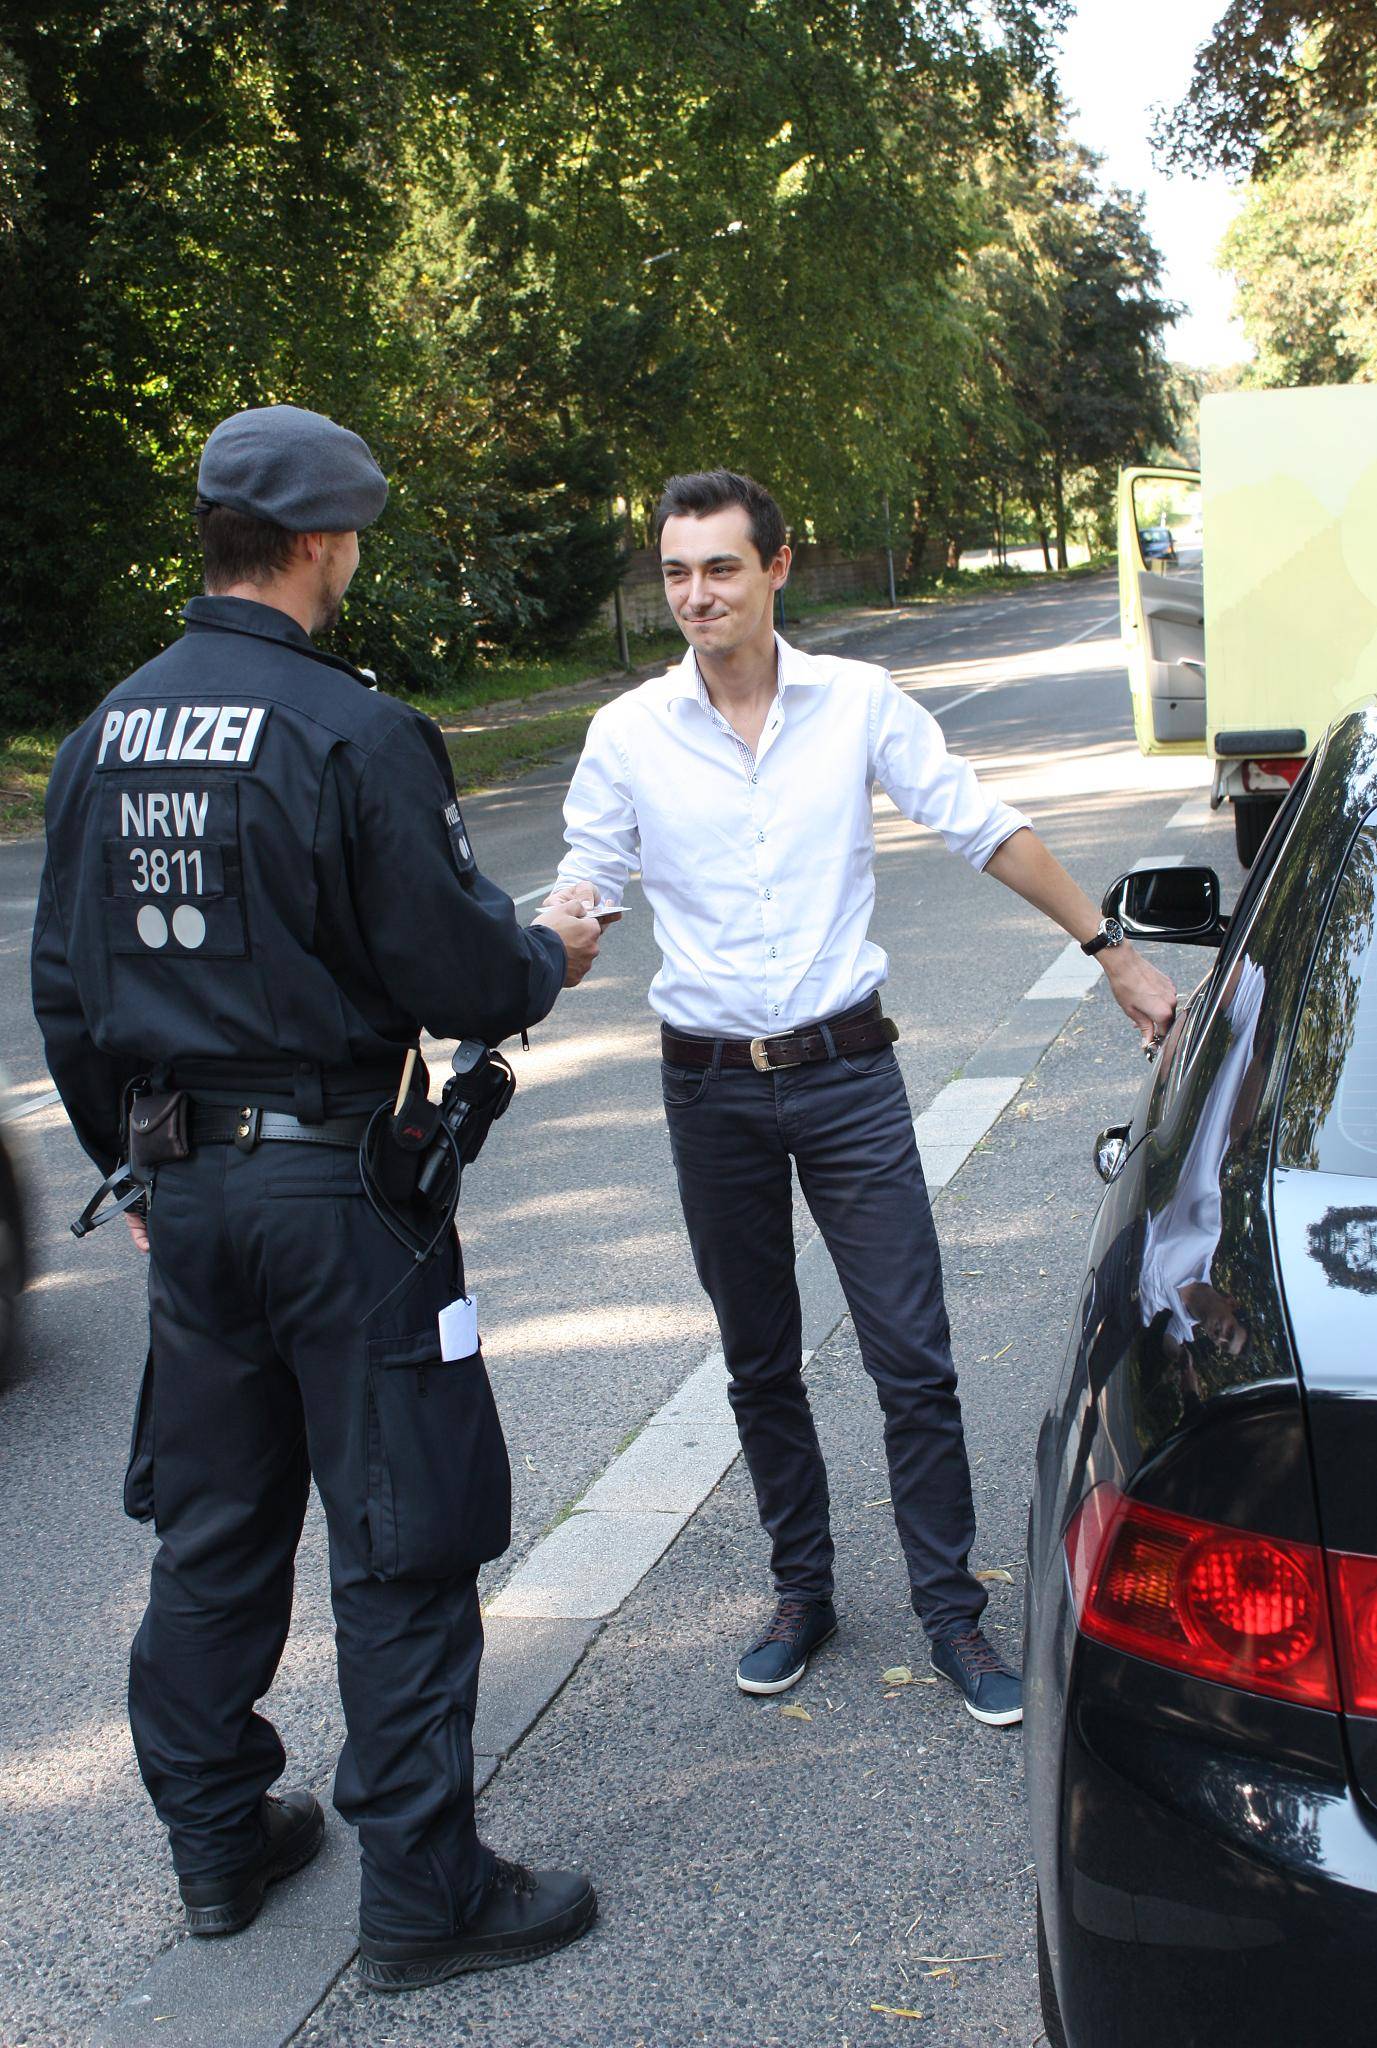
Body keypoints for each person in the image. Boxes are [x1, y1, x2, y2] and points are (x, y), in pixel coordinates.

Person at [31, 404, 601, 1991]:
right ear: (325, 542)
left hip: (190, 1195)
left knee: (214, 1531)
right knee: (402, 1533)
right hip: (350, 1197)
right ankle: (425, 1895)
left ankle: (219, 1842)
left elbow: (68, 995)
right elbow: (453, 964)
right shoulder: (352, 732)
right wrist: (546, 951)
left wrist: (134, 1170)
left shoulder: (105, 734)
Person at [544, 469, 1177, 1727]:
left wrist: (1113, 948)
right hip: (709, 1086)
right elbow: (588, 880)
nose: (696, 594)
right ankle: (802, 1591)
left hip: (848, 1078)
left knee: (912, 1355)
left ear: (776, 568)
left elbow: (982, 827)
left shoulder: (857, 701)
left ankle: (951, 1611)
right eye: (676, 571)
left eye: (720, 567)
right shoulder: (629, 731)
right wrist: (540, 942)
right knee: (758, 1360)